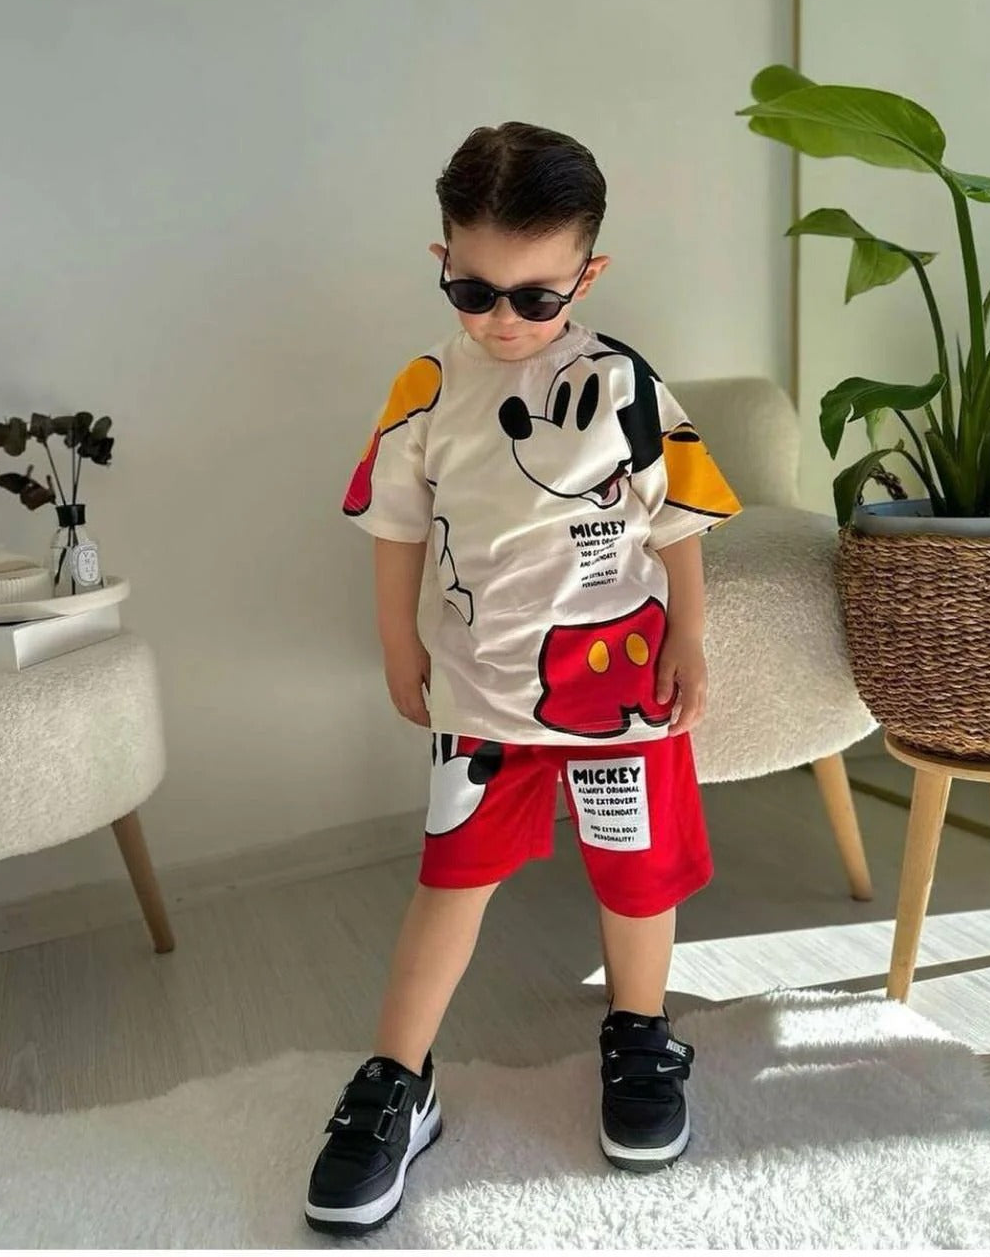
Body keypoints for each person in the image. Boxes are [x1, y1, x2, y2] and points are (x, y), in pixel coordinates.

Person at [305, 121, 741, 1236]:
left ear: (586, 275)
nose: (502, 318)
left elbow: (677, 521)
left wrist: (690, 635)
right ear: (442, 258)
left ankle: (639, 1035)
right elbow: (394, 525)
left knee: (636, 878)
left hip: (624, 696)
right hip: (483, 695)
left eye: (536, 297)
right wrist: (397, 642)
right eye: (473, 289)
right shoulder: (425, 386)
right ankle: (398, 1079)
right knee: (451, 881)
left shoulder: (622, 382)